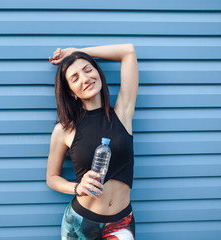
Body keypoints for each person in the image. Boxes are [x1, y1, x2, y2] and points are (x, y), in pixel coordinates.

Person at [46, 44, 139, 240]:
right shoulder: (64, 130)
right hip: (80, 223)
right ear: (71, 92)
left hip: (120, 224)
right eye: (75, 78)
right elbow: (52, 178)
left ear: (98, 72)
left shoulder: (122, 113)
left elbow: (128, 51)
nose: (85, 79)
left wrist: (76, 52)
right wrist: (76, 187)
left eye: (88, 70)